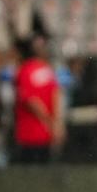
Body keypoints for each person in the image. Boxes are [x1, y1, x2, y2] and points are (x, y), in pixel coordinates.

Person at [12, 34, 64, 163]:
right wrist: (55, 124)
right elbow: (56, 96)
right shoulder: (48, 70)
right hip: (46, 133)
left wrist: (49, 121)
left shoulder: (25, 70)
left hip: (29, 133)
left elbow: (31, 100)